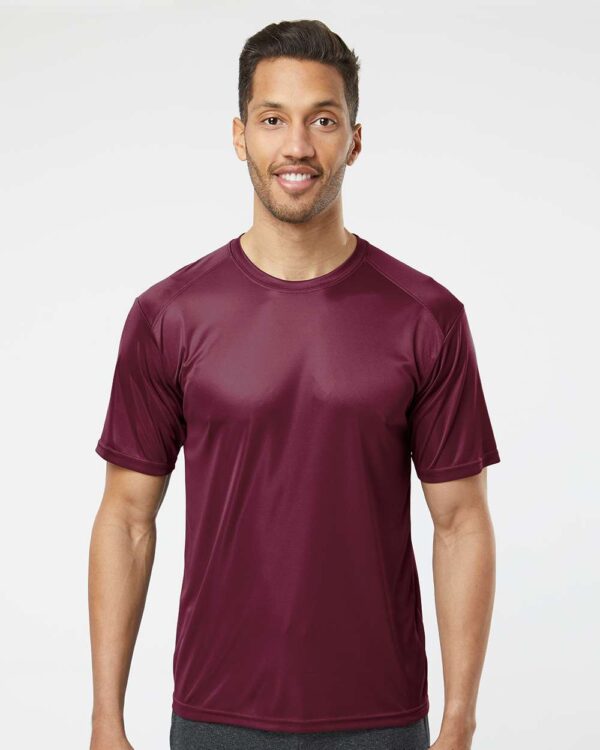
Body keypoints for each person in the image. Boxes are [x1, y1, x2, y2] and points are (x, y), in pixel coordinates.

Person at [89, 19, 500, 750]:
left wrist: (459, 722)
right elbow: (126, 518)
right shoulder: (169, 316)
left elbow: (461, 523)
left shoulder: (426, 317)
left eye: (323, 120)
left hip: (381, 716)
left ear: (355, 140)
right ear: (240, 136)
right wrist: (105, 721)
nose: (298, 146)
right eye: (273, 119)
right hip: (217, 714)